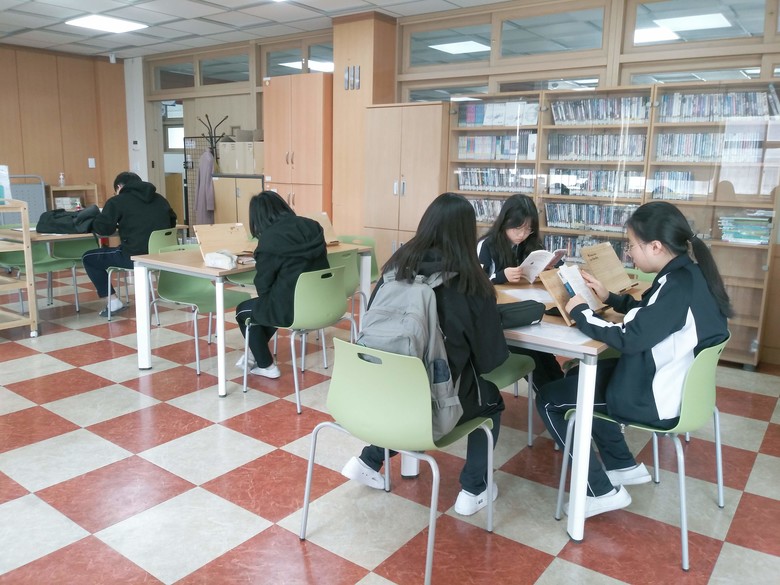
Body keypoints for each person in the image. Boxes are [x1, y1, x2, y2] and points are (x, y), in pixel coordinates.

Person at [536, 201, 731, 518]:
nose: (628, 253)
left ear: (655, 246)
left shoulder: (676, 286)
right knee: (578, 377)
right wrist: (610, 298)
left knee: (548, 399)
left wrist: (582, 313)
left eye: (631, 245)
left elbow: (629, 338)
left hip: (655, 395)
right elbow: (652, 316)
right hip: (673, 382)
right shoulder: (688, 275)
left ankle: (599, 492)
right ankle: (621, 464)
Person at [341, 192, 509, 516]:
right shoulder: (470, 282)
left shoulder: (395, 268)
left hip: (374, 394)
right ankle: (474, 489)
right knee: (491, 401)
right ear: (468, 234)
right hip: (429, 405)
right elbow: (490, 360)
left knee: (406, 387)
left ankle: (369, 460)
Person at [234, 191, 328, 379]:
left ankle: (266, 366)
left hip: (292, 310)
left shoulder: (269, 239)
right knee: (273, 304)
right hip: (322, 303)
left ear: (257, 217)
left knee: (244, 311)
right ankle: (254, 352)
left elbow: (263, 287)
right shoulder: (313, 226)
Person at [477, 193, 564, 389]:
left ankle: (559, 390)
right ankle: (550, 395)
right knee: (533, 352)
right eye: (517, 228)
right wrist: (501, 276)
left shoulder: (529, 243)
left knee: (544, 353)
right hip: (498, 318)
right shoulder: (487, 245)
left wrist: (549, 267)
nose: (522, 235)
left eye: (528, 229)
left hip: (522, 310)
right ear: (504, 222)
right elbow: (476, 283)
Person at [83, 172, 177, 317]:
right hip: (161, 256)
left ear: (119, 187)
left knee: (88, 258)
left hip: (135, 257)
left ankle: (113, 302)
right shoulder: (160, 199)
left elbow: (104, 230)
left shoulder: (117, 201)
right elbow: (172, 222)